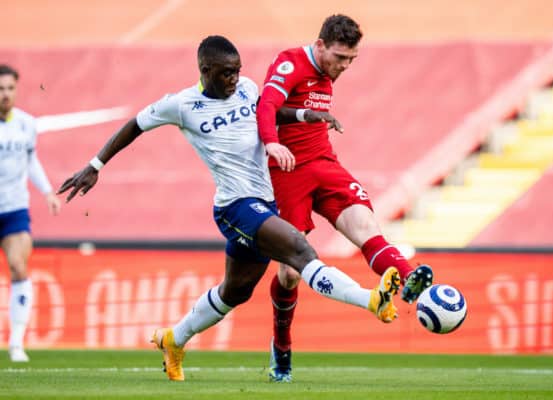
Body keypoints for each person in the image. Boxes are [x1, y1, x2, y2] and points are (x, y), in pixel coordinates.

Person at [57, 35, 402, 382]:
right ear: (205, 71)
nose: (234, 79)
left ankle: (173, 339)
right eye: (225, 74)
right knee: (299, 249)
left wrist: (304, 113)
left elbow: (268, 109)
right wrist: (95, 165)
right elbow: (134, 125)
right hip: (235, 207)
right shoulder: (181, 105)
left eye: (237, 71)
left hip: (264, 203)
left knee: (234, 291)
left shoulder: (248, 88)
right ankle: (371, 300)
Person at [256, 14, 434, 382]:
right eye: (340, 57)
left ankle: (409, 277)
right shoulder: (290, 62)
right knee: (290, 272)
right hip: (287, 172)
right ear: (320, 45)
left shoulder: (326, 72)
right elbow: (266, 105)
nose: (345, 66)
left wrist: (308, 116)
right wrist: (272, 143)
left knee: (365, 224)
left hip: (324, 163)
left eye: (351, 60)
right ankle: (282, 346)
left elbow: (297, 109)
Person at [0, 64, 61, 362]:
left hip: (14, 209)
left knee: (18, 266)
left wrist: (48, 191)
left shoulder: (26, 124)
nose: (5, 94)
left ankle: (16, 342)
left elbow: (31, 160)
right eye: (0, 89)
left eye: (10, 88)